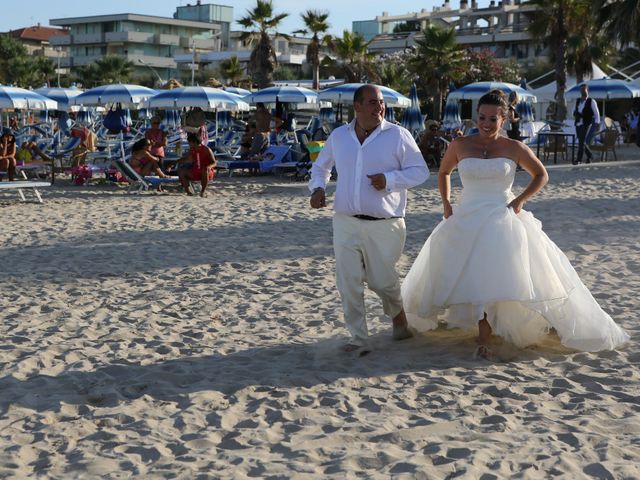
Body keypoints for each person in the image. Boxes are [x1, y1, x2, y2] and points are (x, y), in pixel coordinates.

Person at [401, 90, 629, 359]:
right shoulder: (460, 145)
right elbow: (443, 172)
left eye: (493, 119)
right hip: (467, 216)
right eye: (482, 117)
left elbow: (541, 175)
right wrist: (447, 204)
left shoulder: (514, 148)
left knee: (511, 274)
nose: (486, 123)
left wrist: (520, 200)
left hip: (503, 215)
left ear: (505, 118)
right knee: (471, 273)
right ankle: (481, 331)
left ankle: (500, 332)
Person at [309, 84, 430, 353]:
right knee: (348, 279)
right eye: (373, 102)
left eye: (381, 102)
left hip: (386, 224)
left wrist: (389, 180)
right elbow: (321, 167)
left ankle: (398, 318)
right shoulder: (339, 136)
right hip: (345, 221)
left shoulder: (398, 135)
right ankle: (358, 338)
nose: (380, 107)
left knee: (382, 281)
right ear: (357, 107)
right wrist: (317, 188)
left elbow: (420, 172)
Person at [177, 132, 216, 197]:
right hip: (196, 171)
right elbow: (187, 159)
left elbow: (214, 163)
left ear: (194, 142)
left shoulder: (206, 149)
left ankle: (202, 192)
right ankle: (188, 192)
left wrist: (208, 167)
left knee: (204, 170)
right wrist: (174, 163)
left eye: (189, 142)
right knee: (181, 172)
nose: (188, 144)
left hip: (207, 172)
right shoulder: (192, 149)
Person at [573, 83, 600, 164]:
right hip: (578, 123)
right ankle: (590, 156)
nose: (582, 91)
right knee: (582, 142)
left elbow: (596, 113)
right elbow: (574, 110)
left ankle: (579, 159)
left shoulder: (591, 101)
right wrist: (575, 114)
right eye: (581, 89)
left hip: (587, 123)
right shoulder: (578, 100)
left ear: (587, 90)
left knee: (581, 141)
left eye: (584, 89)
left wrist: (597, 123)